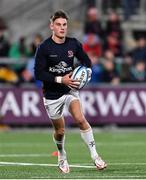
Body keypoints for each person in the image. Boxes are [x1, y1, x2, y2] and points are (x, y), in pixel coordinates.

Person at [34, 10, 107, 173]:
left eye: (64, 25)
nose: (62, 28)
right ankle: (61, 155)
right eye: (58, 24)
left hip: (70, 90)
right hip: (52, 94)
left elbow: (87, 62)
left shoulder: (73, 44)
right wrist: (61, 79)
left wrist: (81, 75)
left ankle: (95, 156)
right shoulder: (44, 47)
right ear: (51, 26)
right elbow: (38, 74)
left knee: (81, 119)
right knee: (60, 131)